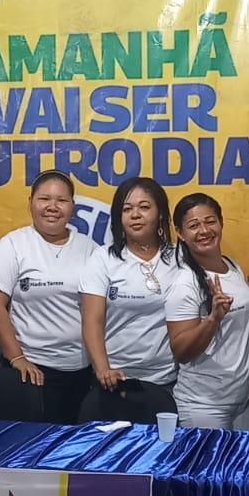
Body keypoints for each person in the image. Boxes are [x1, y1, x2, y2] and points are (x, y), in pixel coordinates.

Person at [0, 171, 97, 422]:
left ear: (72, 206)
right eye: (44, 199)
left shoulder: (89, 248)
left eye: (61, 200)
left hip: (81, 370)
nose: (52, 207)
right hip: (32, 370)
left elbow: (98, 312)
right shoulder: (14, 244)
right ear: (31, 203)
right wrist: (17, 357)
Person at [79, 177, 181, 422]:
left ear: (160, 214)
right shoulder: (103, 258)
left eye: (144, 207)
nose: (135, 215)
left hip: (168, 382)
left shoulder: (180, 258)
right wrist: (103, 370)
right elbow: (92, 321)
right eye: (127, 209)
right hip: (115, 382)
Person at [165, 192, 249, 430]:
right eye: (193, 226)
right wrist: (213, 318)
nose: (204, 230)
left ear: (221, 222)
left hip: (244, 402)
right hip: (204, 406)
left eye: (210, 221)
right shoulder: (184, 283)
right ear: (180, 233)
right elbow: (182, 351)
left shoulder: (232, 265)